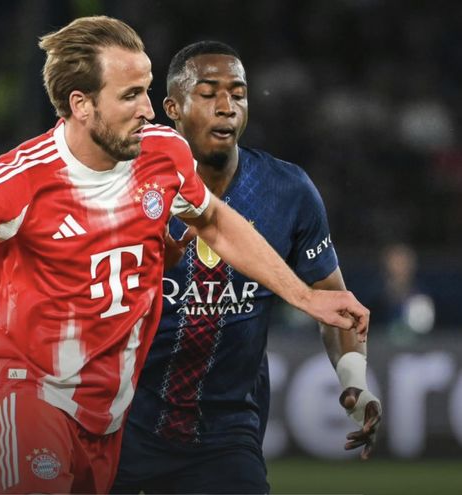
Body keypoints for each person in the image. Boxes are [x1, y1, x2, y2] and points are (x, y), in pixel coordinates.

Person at [0, 18, 369, 494]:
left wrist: (303, 296)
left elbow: (216, 222)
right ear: (81, 105)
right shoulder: (16, 184)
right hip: (26, 391)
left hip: (108, 418)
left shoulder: (164, 154)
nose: (149, 110)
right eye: (130, 96)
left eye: (146, 90)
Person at [112, 41, 382, 494]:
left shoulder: (288, 191)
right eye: (208, 93)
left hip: (224, 433)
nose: (227, 106)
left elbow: (333, 303)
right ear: (172, 108)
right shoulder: (124, 183)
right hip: (120, 420)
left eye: (238, 94)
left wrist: (355, 381)